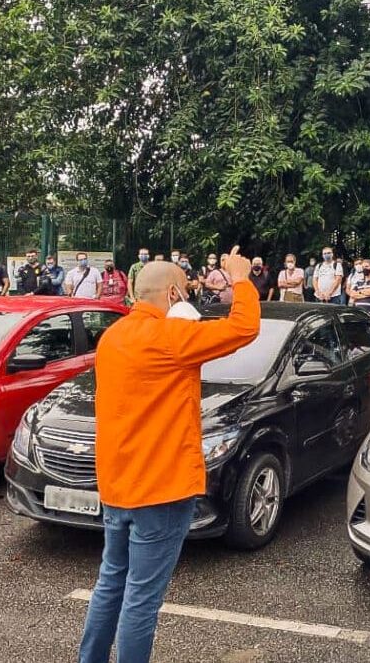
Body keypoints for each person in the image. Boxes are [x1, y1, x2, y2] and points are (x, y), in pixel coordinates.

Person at [79, 247, 259, 663]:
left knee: (112, 582)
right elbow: (244, 327)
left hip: (118, 485)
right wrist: (240, 279)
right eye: (189, 290)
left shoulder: (114, 337)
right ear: (175, 294)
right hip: (160, 488)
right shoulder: (171, 339)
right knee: (142, 599)